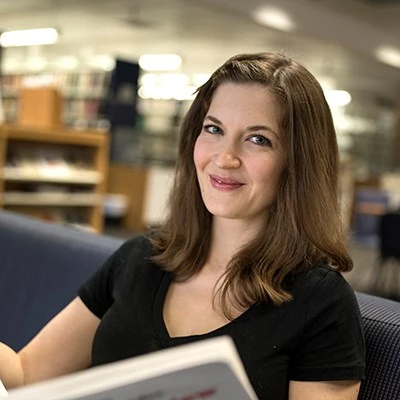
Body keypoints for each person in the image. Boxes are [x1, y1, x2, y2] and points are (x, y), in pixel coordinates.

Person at [0, 52, 365, 399]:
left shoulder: (321, 303)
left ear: (297, 163)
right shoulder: (142, 258)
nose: (224, 157)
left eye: (258, 139)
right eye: (213, 129)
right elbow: (27, 374)